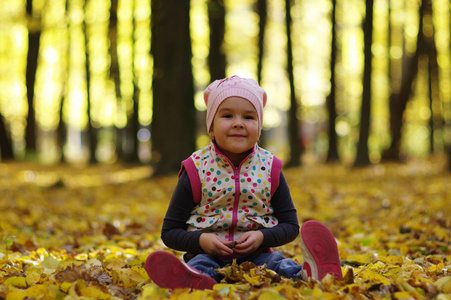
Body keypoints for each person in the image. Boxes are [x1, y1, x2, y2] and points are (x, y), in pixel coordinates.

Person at [145, 75, 342, 290]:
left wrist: (261, 237)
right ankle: (193, 280)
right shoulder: (195, 169)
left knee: (280, 265)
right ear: (211, 127)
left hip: (259, 257)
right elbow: (170, 232)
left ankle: (313, 273)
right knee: (201, 266)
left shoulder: (270, 168)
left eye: (248, 117)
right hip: (207, 255)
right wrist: (202, 241)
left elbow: (290, 226)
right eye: (227, 115)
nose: (238, 123)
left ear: (259, 128)